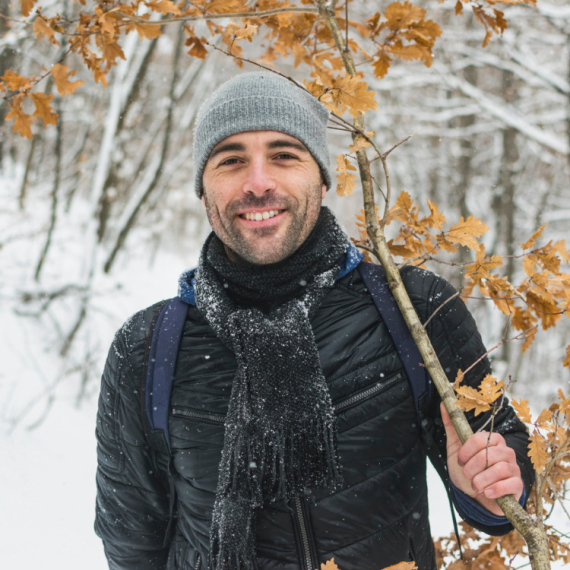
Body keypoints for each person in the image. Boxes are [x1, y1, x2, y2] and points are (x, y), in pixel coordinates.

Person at [95, 72, 533, 570]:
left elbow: (504, 484)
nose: (258, 182)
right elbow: (132, 541)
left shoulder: (415, 309)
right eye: (231, 160)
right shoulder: (148, 347)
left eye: (284, 155)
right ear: (203, 189)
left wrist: (489, 481)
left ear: (322, 178)